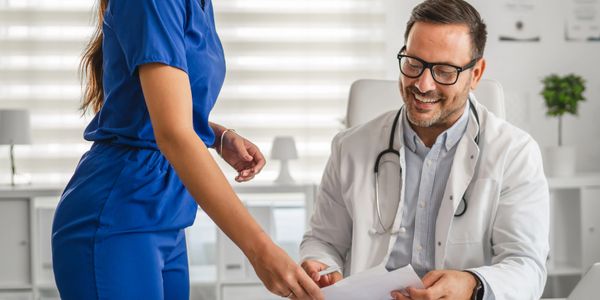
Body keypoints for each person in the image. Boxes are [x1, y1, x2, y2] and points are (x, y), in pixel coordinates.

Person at [51, 0, 322, 299]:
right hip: (118, 214)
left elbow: (158, 109)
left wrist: (215, 136)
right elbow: (172, 134)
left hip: (167, 213)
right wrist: (261, 251)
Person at [299, 0, 549, 299]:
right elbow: (324, 241)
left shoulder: (514, 153)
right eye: (413, 63)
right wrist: (321, 267)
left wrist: (472, 284)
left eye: (444, 71)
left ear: (476, 74)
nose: (423, 84)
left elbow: (526, 266)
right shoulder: (350, 147)